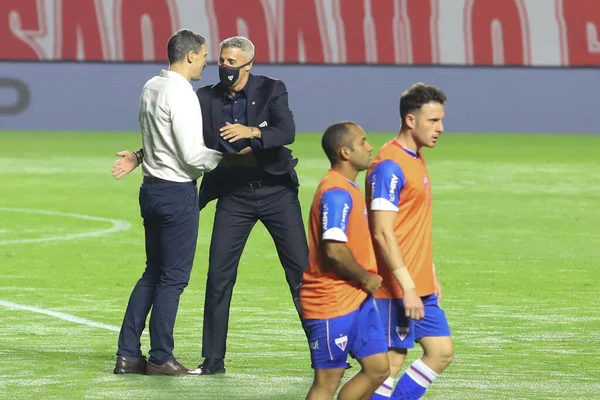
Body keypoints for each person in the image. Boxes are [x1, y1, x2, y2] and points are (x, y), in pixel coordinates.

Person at [111, 36, 308, 375]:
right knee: (217, 277)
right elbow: (175, 137)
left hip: (277, 192)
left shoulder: (272, 89)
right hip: (232, 195)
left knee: (302, 275)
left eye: (232, 62)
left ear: (249, 64)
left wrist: (252, 132)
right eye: (220, 60)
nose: (223, 67)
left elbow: (285, 131)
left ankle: (325, 348)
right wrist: (142, 154)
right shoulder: (201, 97)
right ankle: (212, 360)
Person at [113, 29, 222, 376]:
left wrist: (139, 156)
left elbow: (156, 138)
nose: (207, 61)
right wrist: (225, 157)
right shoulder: (183, 94)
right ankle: (160, 357)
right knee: (173, 279)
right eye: (204, 55)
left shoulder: (152, 86)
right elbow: (191, 154)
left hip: (151, 189)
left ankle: (128, 354)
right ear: (190, 56)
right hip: (177, 193)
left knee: (152, 272)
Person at [365, 83, 454, 399]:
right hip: (395, 286)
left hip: (418, 282)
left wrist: (428, 272)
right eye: (433, 121)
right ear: (410, 120)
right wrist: (408, 286)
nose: (440, 128)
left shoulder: (414, 157)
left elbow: (411, 223)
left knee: (441, 351)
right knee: (389, 363)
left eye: (441, 120)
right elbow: (383, 232)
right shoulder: (389, 166)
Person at [300, 121, 390, 400]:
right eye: (362, 141)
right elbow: (334, 250)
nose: (369, 146)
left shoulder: (347, 188)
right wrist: (366, 277)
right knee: (326, 383)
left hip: (356, 298)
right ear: (345, 153)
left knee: (378, 369)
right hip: (331, 302)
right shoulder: (336, 193)